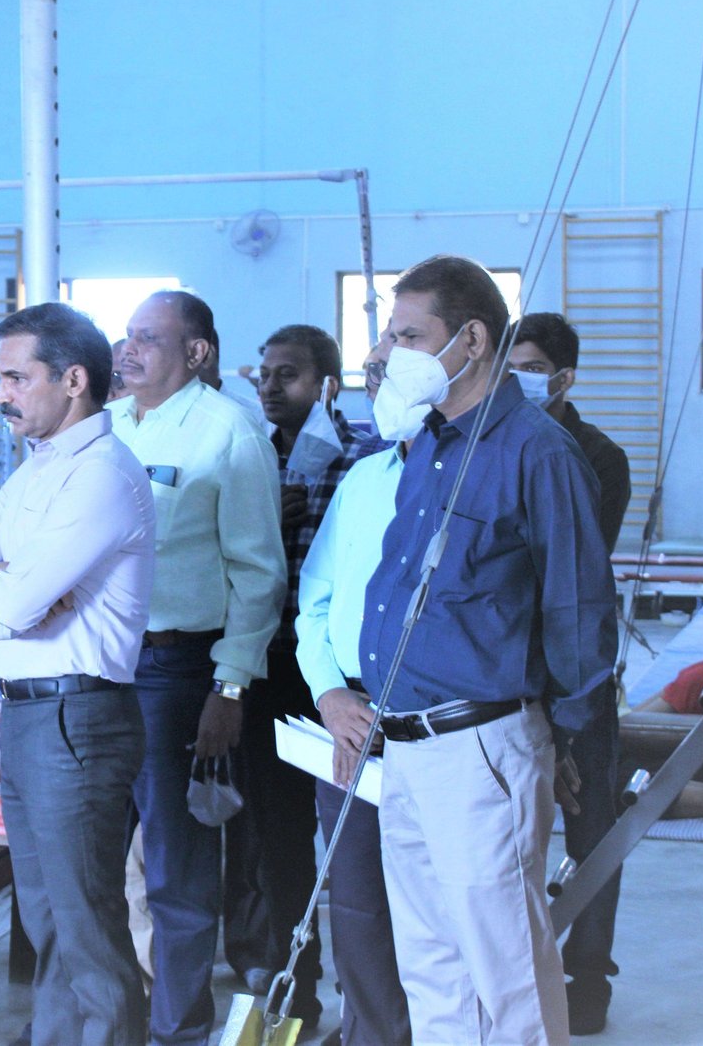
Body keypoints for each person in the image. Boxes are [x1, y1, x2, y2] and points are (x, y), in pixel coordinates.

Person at [359, 255, 617, 1046]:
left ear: (471, 340)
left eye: (409, 336)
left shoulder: (537, 451)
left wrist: (564, 736)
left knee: (506, 972)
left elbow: (579, 608)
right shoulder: (430, 444)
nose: (387, 353)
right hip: (404, 741)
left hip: (480, 743)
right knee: (433, 968)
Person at [0, 302, 154, 1046]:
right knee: (47, 922)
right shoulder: (36, 472)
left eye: (15, 378)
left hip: (77, 718)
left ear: (74, 380)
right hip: (28, 716)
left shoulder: (102, 476)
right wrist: (2, 581)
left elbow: (12, 606)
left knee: (87, 925)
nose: (1, 395)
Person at [110, 290, 286, 1044]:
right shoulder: (106, 427)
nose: (129, 349)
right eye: (127, 336)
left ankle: (178, 1030)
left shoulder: (228, 434)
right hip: (98, 669)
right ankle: (113, 1018)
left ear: (197, 351)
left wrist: (230, 685)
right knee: (97, 861)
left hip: (176, 673)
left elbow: (259, 574)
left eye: (148, 337)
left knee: (176, 869)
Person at [224, 323, 384, 1026]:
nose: (269, 386)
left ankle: (372, 1000)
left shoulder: (361, 458)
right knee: (277, 836)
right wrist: (261, 513)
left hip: (337, 676)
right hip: (268, 664)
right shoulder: (250, 455)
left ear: (328, 385)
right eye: (264, 373)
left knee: (355, 842)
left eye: (287, 374)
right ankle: (296, 985)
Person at [509, 311, 632, 1035]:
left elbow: (572, 570)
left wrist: (569, 705)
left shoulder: (598, 456)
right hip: (505, 666)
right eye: (508, 368)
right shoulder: (492, 440)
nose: (515, 380)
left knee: (591, 821)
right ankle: (519, 969)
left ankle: (589, 973)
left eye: (529, 369)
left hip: (572, 664)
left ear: (563, 378)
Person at [294, 333, 412, 1046]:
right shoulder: (366, 476)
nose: (377, 386)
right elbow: (314, 599)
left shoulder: (485, 471)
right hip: (351, 714)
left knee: (442, 902)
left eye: (391, 371)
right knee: (359, 897)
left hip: (440, 715)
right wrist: (331, 693)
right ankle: (372, 1032)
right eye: (371, 374)